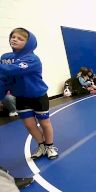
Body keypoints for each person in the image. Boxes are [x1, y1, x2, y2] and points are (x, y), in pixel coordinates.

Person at [0, 28, 58, 159]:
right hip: (21, 97)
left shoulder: (32, 59)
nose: (14, 39)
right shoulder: (6, 58)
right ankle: (41, 146)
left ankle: (50, 146)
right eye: (13, 36)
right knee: (29, 125)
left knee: (44, 123)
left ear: (29, 43)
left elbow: (12, 70)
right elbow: (4, 78)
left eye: (20, 38)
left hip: (38, 96)